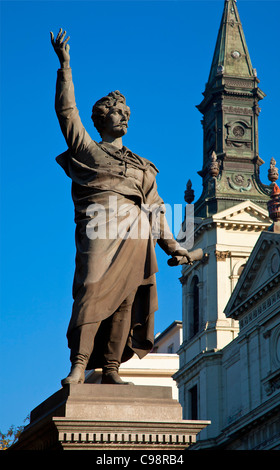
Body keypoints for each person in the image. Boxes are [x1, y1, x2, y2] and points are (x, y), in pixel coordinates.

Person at [50, 29, 192, 386]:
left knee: (127, 302)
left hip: (136, 234)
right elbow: (67, 113)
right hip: (100, 227)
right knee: (92, 290)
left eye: (126, 112)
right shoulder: (89, 151)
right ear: (100, 120)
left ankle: (112, 369)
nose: (124, 117)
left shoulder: (144, 166)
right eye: (116, 113)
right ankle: (79, 366)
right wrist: (65, 67)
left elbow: (156, 209)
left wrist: (175, 247)